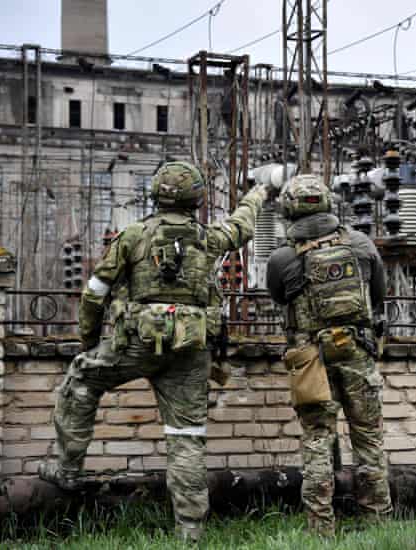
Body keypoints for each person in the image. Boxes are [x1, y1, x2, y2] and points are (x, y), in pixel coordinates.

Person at [38, 161, 274, 542]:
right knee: (186, 437)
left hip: (132, 345)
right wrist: (258, 193)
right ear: (196, 199)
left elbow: (94, 294)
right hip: (189, 350)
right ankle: (190, 532)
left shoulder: (131, 236)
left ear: (154, 194)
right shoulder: (208, 237)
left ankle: (68, 469)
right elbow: (243, 226)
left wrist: (89, 342)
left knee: (81, 378)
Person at [266, 174, 392, 536]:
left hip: (310, 358)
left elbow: (279, 298)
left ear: (289, 209)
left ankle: (321, 529)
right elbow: (378, 295)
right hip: (358, 351)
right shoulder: (362, 245)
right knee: (368, 439)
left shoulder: (282, 258)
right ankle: (378, 523)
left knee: (317, 438)